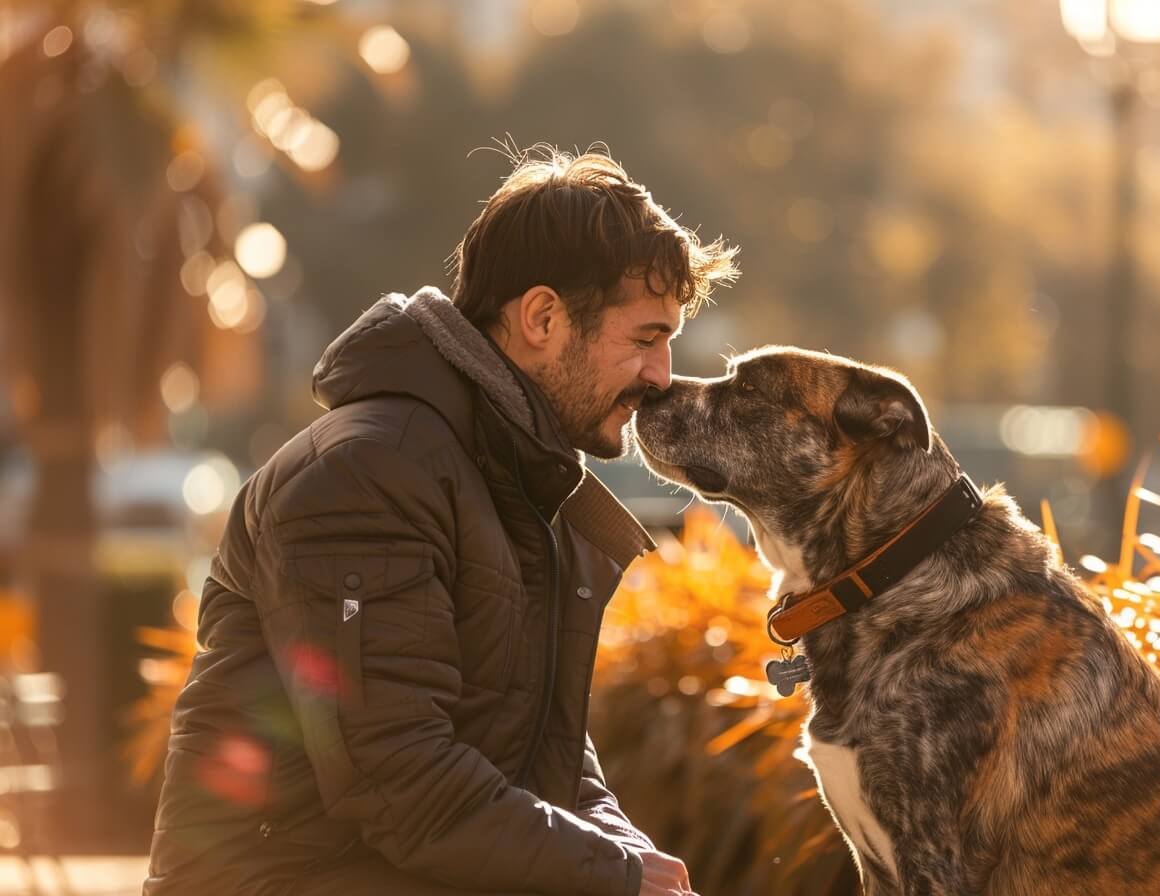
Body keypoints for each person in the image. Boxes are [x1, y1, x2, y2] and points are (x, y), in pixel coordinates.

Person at [143, 146, 739, 896]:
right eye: (646, 339)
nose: (662, 376)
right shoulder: (367, 475)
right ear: (543, 318)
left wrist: (635, 861)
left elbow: (545, 757)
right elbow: (396, 780)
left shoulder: (516, 477)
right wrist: (612, 874)